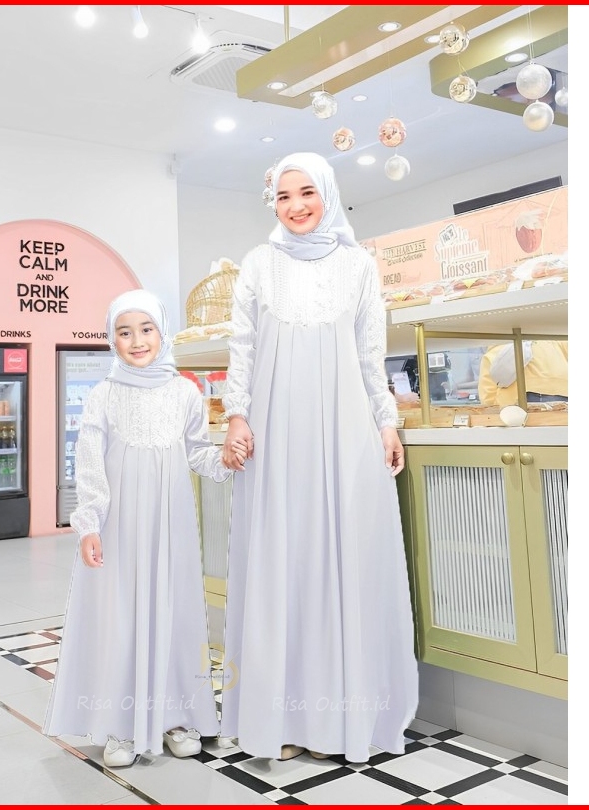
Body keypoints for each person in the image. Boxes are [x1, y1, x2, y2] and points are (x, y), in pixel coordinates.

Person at [219, 152, 419, 764]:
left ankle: (340, 718)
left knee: (343, 559)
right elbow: (242, 347)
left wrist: (386, 422)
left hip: (344, 430)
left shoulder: (358, 266)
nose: (296, 206)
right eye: (284, 196)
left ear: (328, 194)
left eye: (307, 192)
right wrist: (236, 414)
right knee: (283, 562)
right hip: (275, 434)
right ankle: (279, 716)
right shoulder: (258, 263)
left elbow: (369, 354)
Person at [43, 289, 247, 768]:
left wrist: (224, 458)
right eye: (124, 332)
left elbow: (196, 452)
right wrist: (89, 524)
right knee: (121, 616)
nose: (136, 341)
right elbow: (89, 465)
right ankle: (120, 723)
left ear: (162, 332)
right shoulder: (104, 395)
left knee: (174, 611)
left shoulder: (184, 393)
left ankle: (176, 715)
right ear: (111, 339)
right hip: (119, 529)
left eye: (146, 329)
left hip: (171, 526)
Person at [478, 340, 568, 407]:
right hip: (563, 392)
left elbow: (488, 396)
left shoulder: (494, 353)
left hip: (519, 399)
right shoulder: (551, 341)